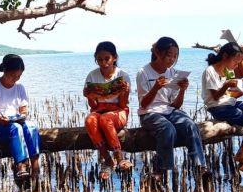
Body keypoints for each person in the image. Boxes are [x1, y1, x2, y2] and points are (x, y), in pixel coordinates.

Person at [136, 37, 205, 177]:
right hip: (148, 113)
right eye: (169, 55)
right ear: (157, 52)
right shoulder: (143, 72)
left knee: (190, 125)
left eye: (175, 56)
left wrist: (182, 90)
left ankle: (199, 166)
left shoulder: (173, 73)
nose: (172, 59)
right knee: (167, 129)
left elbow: (175, 106)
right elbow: (143, 104)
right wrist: (155, 88)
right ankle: (162, 168)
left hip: (168, 110)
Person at [202, 42, 243, 175]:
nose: (236, 66)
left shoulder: (224, 72)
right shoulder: (210, 71)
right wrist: (226, 85)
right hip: (218, 108)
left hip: (229, 103)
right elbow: (215, 97)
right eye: (236, 62)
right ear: (225, 56)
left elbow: (228, 95)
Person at [0, 54, 41, 184]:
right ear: (5, 71)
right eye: (13, 76)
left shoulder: (20, 87)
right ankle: (20, 165)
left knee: (31, 126)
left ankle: (35, 163)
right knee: (16, 128)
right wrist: (0, 119)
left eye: (19, 76)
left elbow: (23, 110)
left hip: (15, 120)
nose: (16, 79)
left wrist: (23, 116)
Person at [83, 41, 132, 179]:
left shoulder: (122, 75)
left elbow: (123, 104)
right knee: (89, 120)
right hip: (99, 110)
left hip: (119, 111)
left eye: (107, 59)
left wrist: (125, 92)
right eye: (99, 59)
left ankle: (119, 157)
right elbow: (93, 106)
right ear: (95, 59)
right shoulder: (92, 75)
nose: (103, 63)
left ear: (114, 58)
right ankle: (108, 160)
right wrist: (89, 95)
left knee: (106, 119)